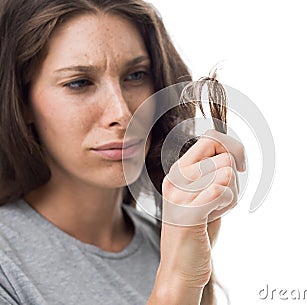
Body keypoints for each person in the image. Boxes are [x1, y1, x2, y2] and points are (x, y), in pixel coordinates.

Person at [0, 0, 246, 304]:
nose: (123, 112)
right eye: (79, 83)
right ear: (22, 103)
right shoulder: (6, 265)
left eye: (135, 75)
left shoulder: (164, 240)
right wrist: (179, 277)